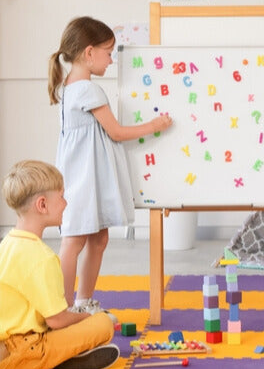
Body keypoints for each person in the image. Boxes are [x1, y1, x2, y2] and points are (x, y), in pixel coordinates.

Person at [48, 16, 174, 313]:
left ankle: (82, 301)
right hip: (83, 177)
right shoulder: (88, 90)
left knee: (97, 237)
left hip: (80, 172)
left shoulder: (69, 87)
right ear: (88, 53)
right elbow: (116, 132)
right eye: (108, 52)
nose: (111, 59)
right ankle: (65, 307)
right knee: (75, 239)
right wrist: (154, 126)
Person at [0, 160, 119, 369]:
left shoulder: (6, 244)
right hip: (25, 352)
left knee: (78, 325)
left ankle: (59, 358)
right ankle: (53, 360)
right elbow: (57, 320)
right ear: (42, 205)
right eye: (61, 196)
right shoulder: (42, 257)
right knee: (104, 323)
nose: (66, 203)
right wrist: (86, 318)